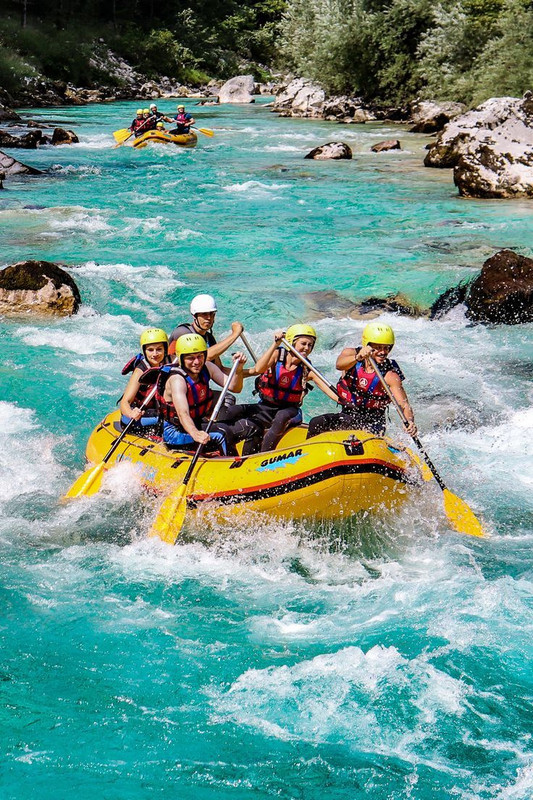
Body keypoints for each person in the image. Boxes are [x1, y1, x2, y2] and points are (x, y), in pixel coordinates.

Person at [218, 325, 338, 455]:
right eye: (303, 343)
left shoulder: (306, 368)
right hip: (266, 407)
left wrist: (343, 400)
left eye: (310, 345)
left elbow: (327, 389)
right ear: (291, 342)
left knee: (281, 416)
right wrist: (275, 344)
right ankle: (218, 446)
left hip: (290, 411)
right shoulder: (277, 355)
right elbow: (258, 369)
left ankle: (264, 455)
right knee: (231, 411)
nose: (306, 348)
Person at [306, 322, 417, 438]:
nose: (383, 352)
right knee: (316, 423)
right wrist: (357, 357)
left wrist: (410, 421)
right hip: (348, 414)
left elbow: (404, 404)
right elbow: (339, 365)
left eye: (386, 348)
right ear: (367, 345)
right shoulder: (350, 354)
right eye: (378, 348)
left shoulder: (390, 375)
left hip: (373, 422)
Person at [157, 333, 246, 454]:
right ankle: (233, 468)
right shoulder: (177, 380)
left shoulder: (207, 367)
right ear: (181, 358)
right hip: (176, 432)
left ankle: (253, 461)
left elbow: (235, 388)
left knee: (250, 425)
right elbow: (183, 414)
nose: (196, 362)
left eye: (200, 356)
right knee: (222, 433)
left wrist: (239, 369)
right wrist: (195, 433)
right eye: (190, 358)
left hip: (197, 422)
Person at [119, 328, 171, 434]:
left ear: (165, 349)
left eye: (159, 349)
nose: (155, 354)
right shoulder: (140, 370)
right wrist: (131, 413)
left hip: (162, 409)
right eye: (150, 350)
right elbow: (125, 402)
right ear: (144, 351)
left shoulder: (172, 361)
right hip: (143, 413)